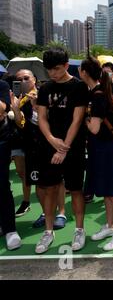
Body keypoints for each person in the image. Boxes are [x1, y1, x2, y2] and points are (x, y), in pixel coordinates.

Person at [35, 47, 88, 254]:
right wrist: (51, 139)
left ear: (66, 66)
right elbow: (41, 117)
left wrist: (63, 147)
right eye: (49, 70)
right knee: (49, 189)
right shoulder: (45, 88)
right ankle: (48, 231)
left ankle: (79, 229)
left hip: (72, 147)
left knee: (75, 189)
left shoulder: (79, 87)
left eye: (56, 69)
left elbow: (77, 119)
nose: (52, 74)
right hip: (49, 147)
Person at [80, 57, 113, 251]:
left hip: (106, 148)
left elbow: (93, 128)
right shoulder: (98, 92)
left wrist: (82, 118)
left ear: (84, 72)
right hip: (102, 148)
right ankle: (111, 226)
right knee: (107, 192)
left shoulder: (97, 95)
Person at [8, 70, 67, 229]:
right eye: (19, 79)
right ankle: (46, 212)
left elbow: (52, 120)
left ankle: (61, 213)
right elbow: (20, 124)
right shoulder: (18, 100)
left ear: (34, 79)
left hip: (50, 144)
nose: (23, 81)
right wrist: (15, 109)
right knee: (38, 182)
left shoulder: (45, 94)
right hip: (31, 145)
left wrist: (36, 107)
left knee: (57, 181)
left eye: (26, 78)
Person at [0, 80, 22, 251]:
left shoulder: (2, 86)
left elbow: (2, 109)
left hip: (1, 140)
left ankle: (9, 229)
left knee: (2, 185)